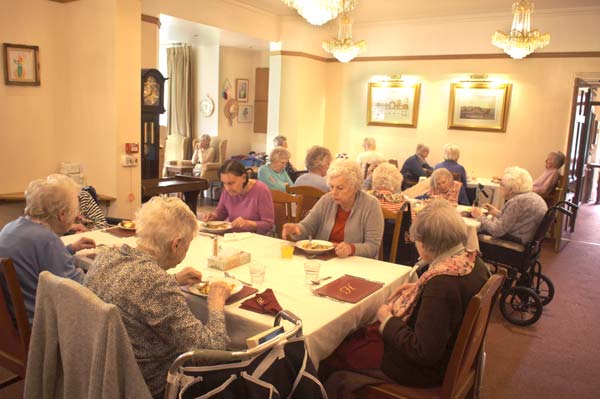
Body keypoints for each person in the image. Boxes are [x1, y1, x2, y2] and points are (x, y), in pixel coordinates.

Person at [322, 200, 490, 398]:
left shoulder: (442, 285)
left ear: (426, 244)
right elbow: (454, 301)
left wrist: (387, 320)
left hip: (422, 370)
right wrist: (421, 288)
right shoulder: (473, 263)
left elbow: (422, 351)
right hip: (451, 355)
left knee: (333, 353)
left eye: (416, 240)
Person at [84, 197, 231, 398]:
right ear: (176, 244)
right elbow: (212, 351)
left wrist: (174, 279)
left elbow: (133, 288)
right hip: (148, 385)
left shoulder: (107, 256)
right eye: (188, 245)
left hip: (102, 372)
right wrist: (216, 305)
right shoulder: (156, 284)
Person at [0, 174, 96, 323]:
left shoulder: (9, 227)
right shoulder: (47, 240)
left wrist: (70, 249)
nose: (76, 217)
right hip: (40, 327)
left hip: (12, 324)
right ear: (62, 215)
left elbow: (37, 260)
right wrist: (102, 267)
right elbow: (80, 288)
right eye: (75, 211)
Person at [282, 160, 384, 258]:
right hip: (325, 260)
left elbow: (373, 247)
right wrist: (296, 229)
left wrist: (351, 249)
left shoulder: (371, 205)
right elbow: (308, 226)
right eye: (331, 187)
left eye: (340, 188)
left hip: (355, 265)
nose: (334, 192)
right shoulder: (327, 200)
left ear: (355, 187)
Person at [472, 166, 547, 244]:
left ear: (511, 189)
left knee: (475, 233)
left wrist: (480, 216)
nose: (500, 187)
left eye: (502, 185)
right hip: (526, 239)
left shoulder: (517, 202)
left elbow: (497, 231)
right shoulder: (532, 197)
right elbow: (514, 219)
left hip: (515, 242)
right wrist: (496, 212)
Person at [204, 159, 275, 235]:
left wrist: (249, 223)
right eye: (224, 183)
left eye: (231, 183)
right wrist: (214, 216)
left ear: (244, 178)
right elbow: (221, 213)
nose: (227, 188)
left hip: (255, 239)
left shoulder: (261, 190)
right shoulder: (227, 190)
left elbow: (268, 224)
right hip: (233, 236)